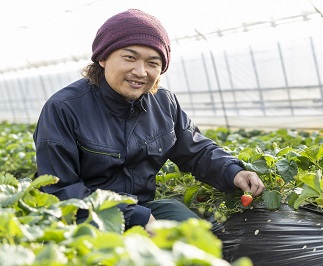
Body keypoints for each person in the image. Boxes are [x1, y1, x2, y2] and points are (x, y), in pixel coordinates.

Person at [33, 8, 265, 230]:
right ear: (102, 58)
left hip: (144, 208)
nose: (141, 71)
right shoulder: (63, 108)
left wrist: (233, 171)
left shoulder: (164, 103)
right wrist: (136, 218)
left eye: (152, 63)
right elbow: (59, 188)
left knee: (197, 234)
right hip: (87, 215)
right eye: (129, 57)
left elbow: (196, 150)